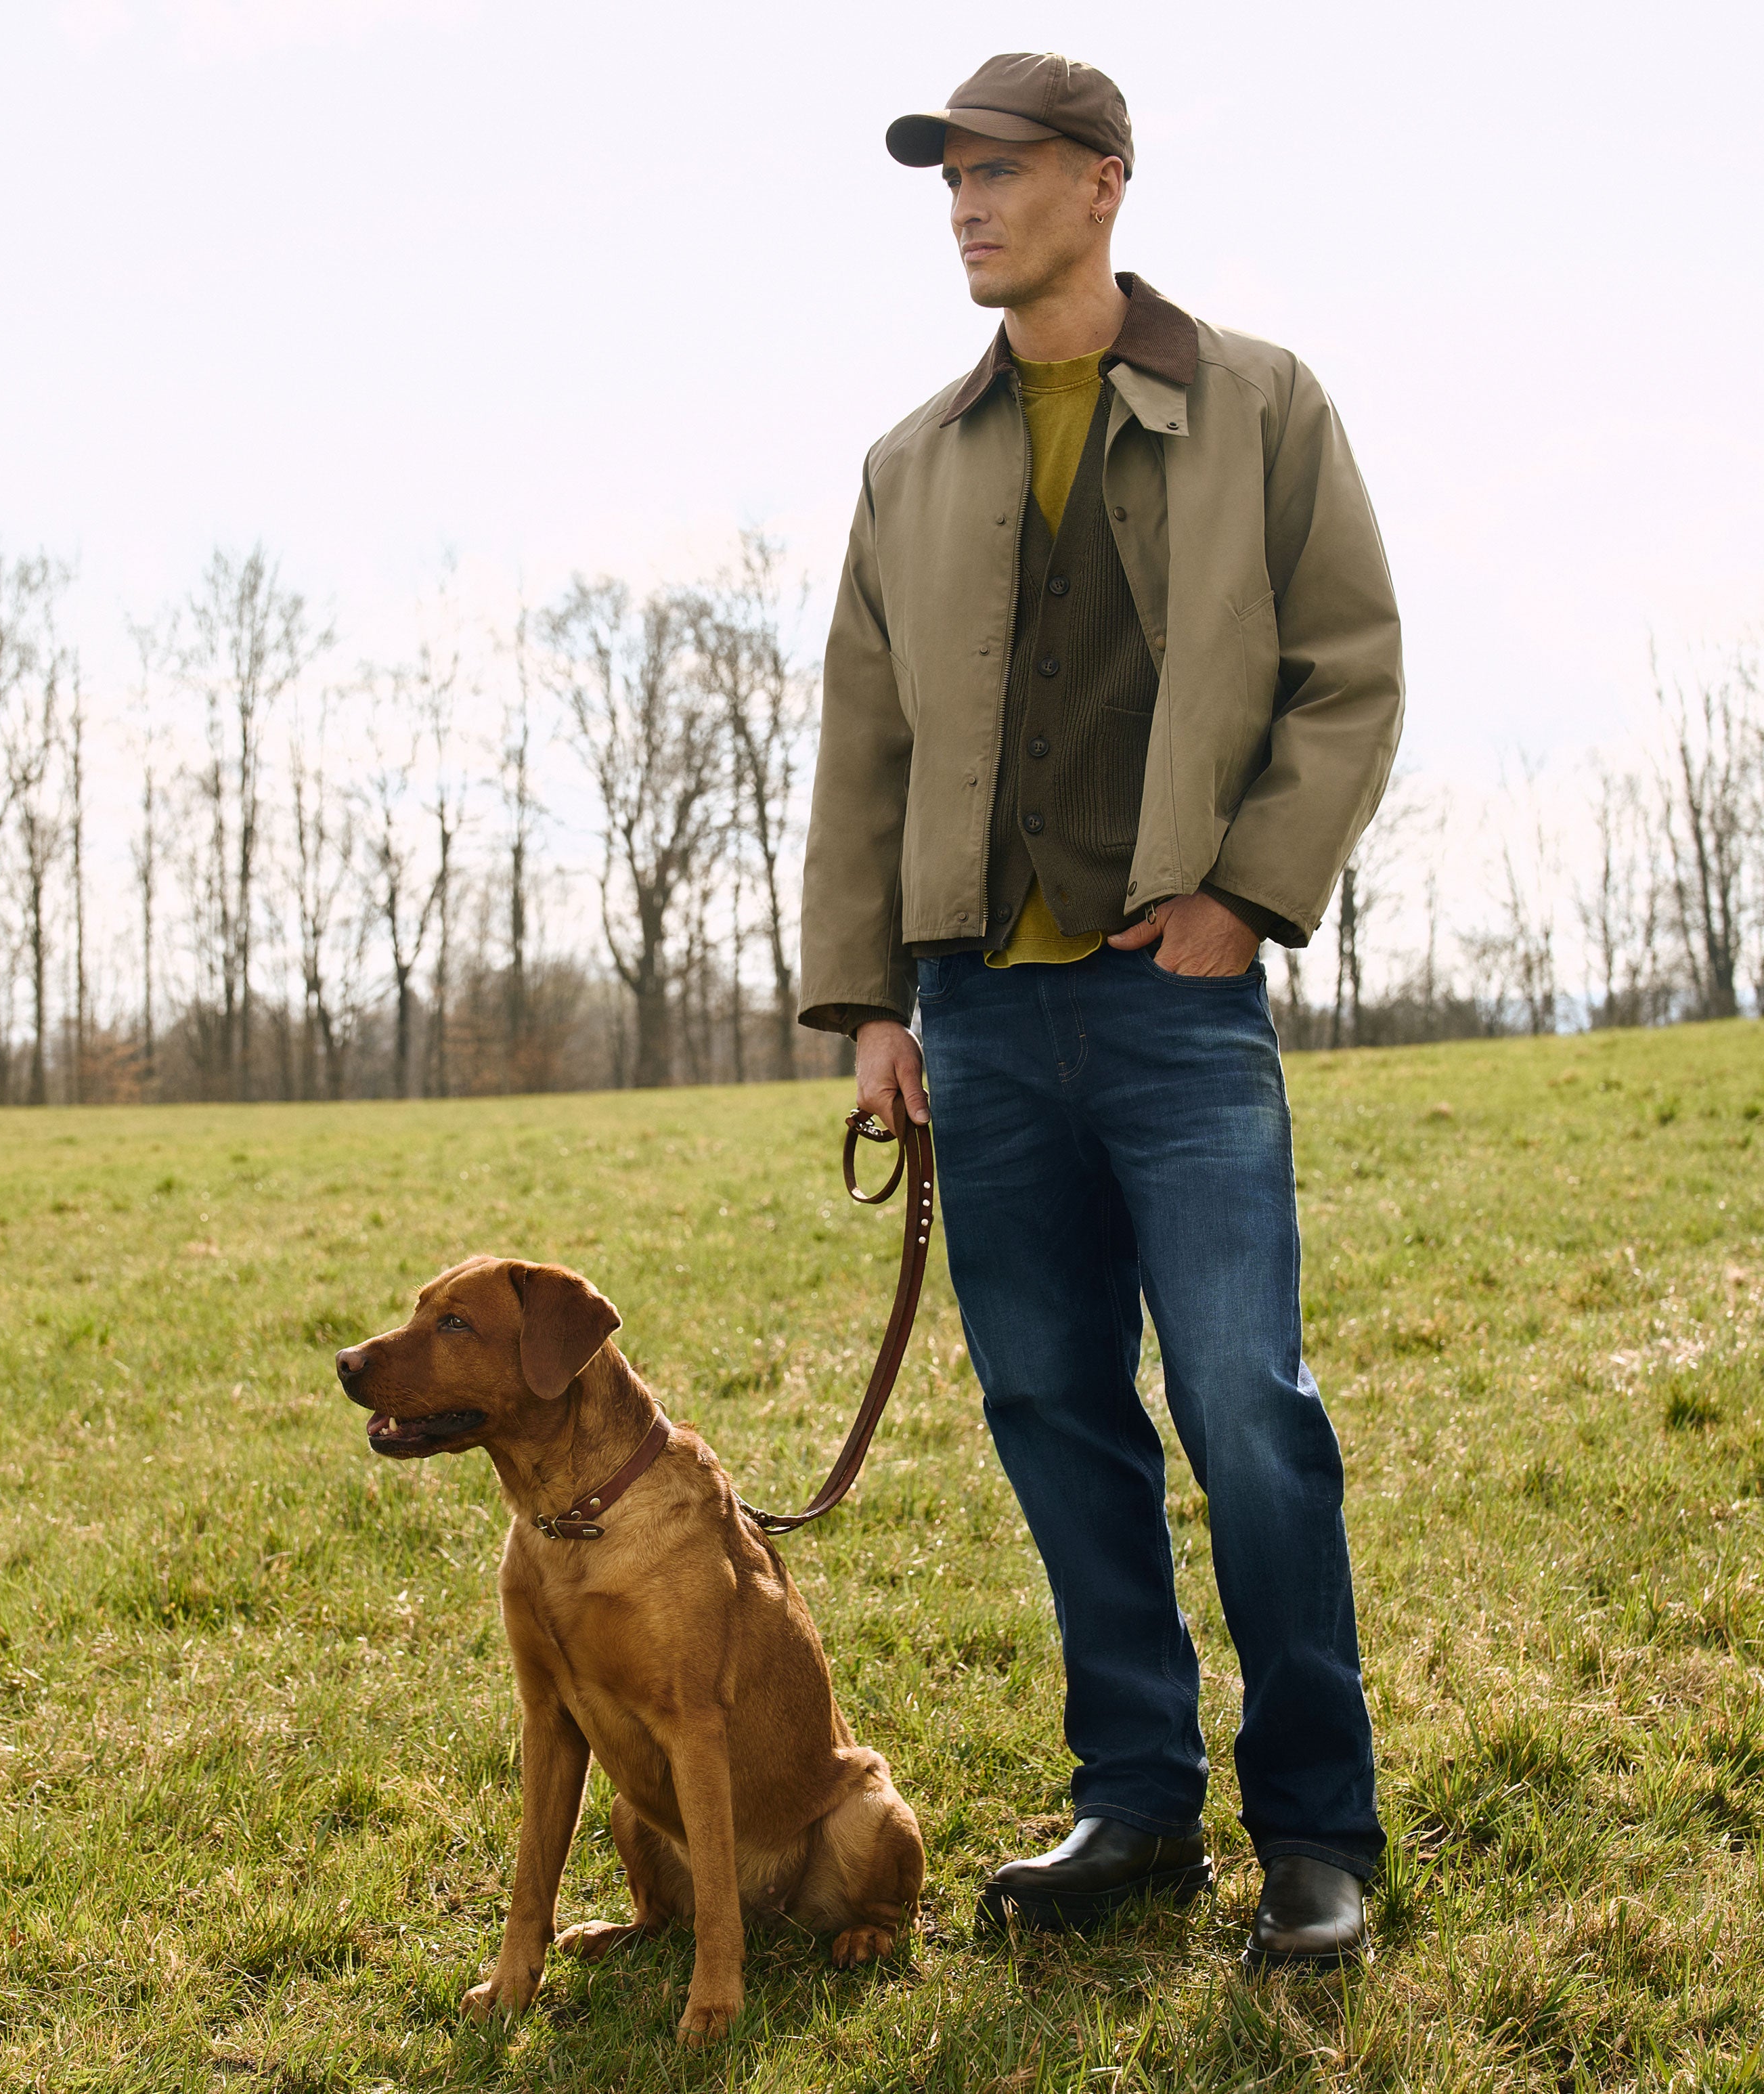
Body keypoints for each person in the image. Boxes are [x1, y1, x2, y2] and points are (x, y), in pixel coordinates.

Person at [797, 51, 1402, 1967]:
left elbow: (1348, 670)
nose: (966, 203)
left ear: (1106, 184)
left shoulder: (1261, 404)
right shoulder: (908, 462)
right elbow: (865, 744)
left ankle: (1318, 1831)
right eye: (948, 176)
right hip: (977, 1020)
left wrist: (1246, 896)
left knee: (1248, 1412)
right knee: (1058, 1414)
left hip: (1177, 1018)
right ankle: (1137, 1806)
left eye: (1000, 170)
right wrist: (875, 1003)